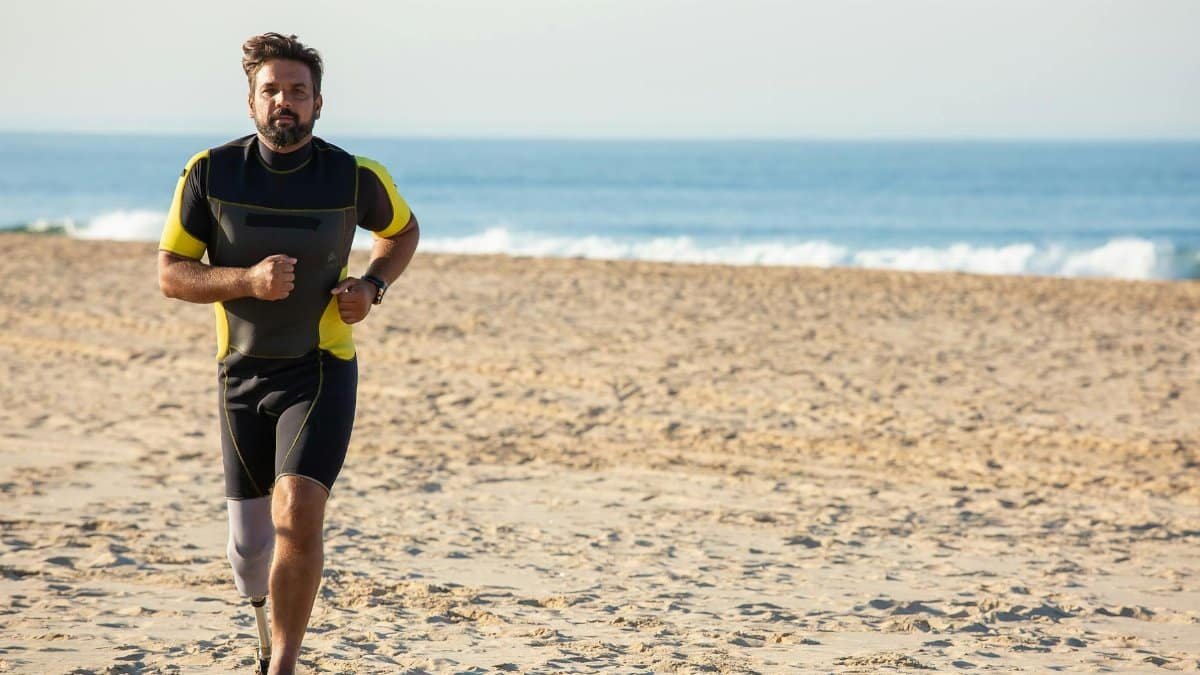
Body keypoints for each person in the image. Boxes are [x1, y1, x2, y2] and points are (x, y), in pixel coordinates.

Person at [157, 32, 419, 675]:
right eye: (271, 90)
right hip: (240, 375)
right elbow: (171, 273)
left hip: (320, 369)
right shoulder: (210, 173)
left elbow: (402, 232)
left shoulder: (353, 176)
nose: (285, 102)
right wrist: (245, 281)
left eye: (297, 91)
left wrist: (373, 286)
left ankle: (283, 663)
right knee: (249, 551)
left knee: (298, 515)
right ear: (251, 101)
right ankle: (257, 610)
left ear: (318, 103)